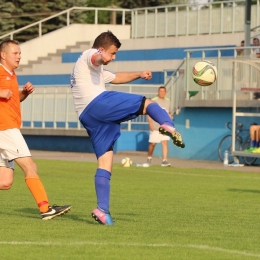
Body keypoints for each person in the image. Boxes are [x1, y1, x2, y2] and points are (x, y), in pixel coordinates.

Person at [70, 30, 185, 226]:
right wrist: (101, 56)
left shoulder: (94, 73)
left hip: (89, 117)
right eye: (112, 53)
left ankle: (102, 210)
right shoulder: (89, 56)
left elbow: (117, 77)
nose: (113, 58)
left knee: (105, 162)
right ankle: (168, 125)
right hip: (97, 104)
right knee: (147, 103)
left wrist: (138, 74)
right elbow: (96, 58)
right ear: (101, 49)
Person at [0, 39, 71, 220]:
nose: (19, 56)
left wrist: (23, 93)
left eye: (20, 53)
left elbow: (10, 100)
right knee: (30, 166)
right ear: (3, 55)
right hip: (5, 127)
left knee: (5, 181)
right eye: (15, 53)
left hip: (7, 128)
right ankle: (45, 209)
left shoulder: (11, 74)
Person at [147, 86, 173, 167]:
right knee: (153, 143)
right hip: (155, 126)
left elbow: (170, 112)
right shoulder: (154, 100)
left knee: (165, 142)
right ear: (158, 92)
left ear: (166, 93)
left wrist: (170, 118)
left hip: (165, 126)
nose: (162, 93)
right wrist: (150, 123)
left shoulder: (168, 101)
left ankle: (164, 160)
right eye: (160, 91)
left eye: (163, 91)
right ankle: (149, 157)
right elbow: (149, 113)